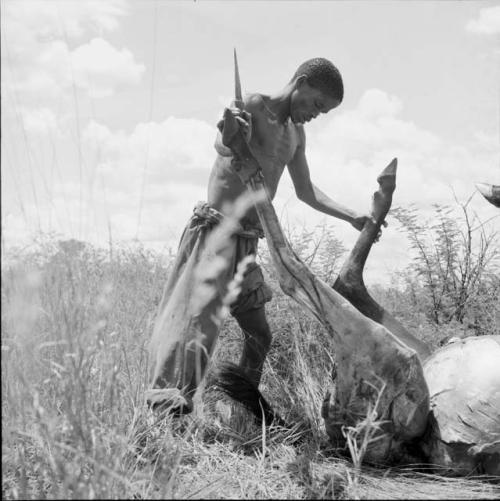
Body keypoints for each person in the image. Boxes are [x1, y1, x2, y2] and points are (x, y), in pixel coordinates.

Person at [146, 57, 379, 415]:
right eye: (316, 104)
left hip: (248, 243)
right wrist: (227, 136)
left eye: (323, 112)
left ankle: (242, 412)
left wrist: (352, 216)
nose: (315, 114)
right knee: (196, 330)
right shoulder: (255, 105)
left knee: (259, 335)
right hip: (216, 234)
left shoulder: (296, 135)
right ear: (300, 83)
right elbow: (225, 146)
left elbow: (306, 191)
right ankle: (164, 411)